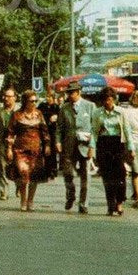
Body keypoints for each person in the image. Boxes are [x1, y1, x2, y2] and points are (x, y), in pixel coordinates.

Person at [5, 90, 51, 212]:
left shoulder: (39, 114)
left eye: (36, 101)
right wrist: (9, 149)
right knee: (23, 173)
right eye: (32, 101)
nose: (34, 103)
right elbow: (10, 133)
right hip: (20, 149)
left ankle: (30, 200)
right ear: (25, 102)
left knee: (34, 176)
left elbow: (45, 131)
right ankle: (23, 200)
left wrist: (47, 145)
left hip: (36, 149)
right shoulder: (16, 115)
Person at [91, 88, 134, 216]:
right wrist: (92, 148)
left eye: (110, 99)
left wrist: (131, 148)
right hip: (104, 144)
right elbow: (94, 132)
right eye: (105, 100)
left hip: (118, 144)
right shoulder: (97, 113)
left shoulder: (121, 112)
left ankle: (119, 202)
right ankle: (110, 204)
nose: (107, 102)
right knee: (107, 177)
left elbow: (127, 130)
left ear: (114, 99)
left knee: (120, 174)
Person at [56, 81, 95, 214]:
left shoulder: (90, 106)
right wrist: (58, 142)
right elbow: (59, 128)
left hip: (85, 146)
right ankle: (70, 195)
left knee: (86, 176)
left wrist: (92, 146)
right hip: (68, 146)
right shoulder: (64, 108)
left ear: (79, 92)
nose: (69, 95)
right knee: (68, 174)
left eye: (72, 93)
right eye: (68, 93)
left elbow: (95, 129)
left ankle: (84, 203)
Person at [0, 88, 18, 201]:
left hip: (17, 143)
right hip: (2, 142)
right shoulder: (0, 112)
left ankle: (19, 187)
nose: (6, 98)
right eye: (5, 96)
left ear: (14, 98)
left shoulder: (19, 111)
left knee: (17, 167)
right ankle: (3, 191)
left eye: (9, 96)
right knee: (2, 167)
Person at [38, 91, 60, 178]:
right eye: (47, 97)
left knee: (53, 152)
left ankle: (53, 170)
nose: (48, 99)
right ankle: (46, 169)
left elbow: (60, 119)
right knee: (45, 150)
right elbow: (39, 114)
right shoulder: (42, 106)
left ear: (53, 98)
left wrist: (56, 118)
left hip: (53, 131)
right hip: (44, 131)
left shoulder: (56, 107)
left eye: (50, 97)